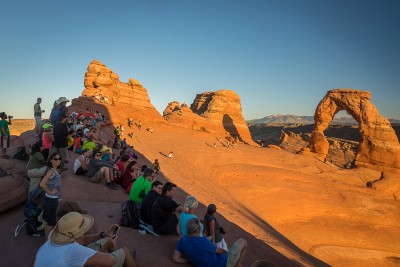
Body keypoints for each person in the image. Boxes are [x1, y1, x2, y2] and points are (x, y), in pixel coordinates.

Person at [34, 212, 137, 267]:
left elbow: (82, 240)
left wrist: (103, 235)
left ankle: (119, 254)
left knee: (106, 240)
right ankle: (124, 257)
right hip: (76, 257)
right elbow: (110, 261)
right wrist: (106, 246)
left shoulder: (55, 236)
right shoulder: (73, 251)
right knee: (125, 252)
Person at [172, 218, 247, 267]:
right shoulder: (203, 241)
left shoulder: (182, 241)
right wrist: (225, 251)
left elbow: (175, 258)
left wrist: (188, 260)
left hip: (207, 262)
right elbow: (220, 251)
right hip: (223, 262)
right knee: (243, 241)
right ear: (197, 231)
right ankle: (238, 265)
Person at [40, 153, 62, 238]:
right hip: (51, 199)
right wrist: (50, 192)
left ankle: (44, 234)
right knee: (51, 221)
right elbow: (42, 184)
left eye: (59, 158)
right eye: (56, 159)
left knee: (48, 217)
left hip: (52, 198)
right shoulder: (51, 171)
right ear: (51, 160)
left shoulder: (54, 170)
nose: (58, 161)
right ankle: (48, 240)